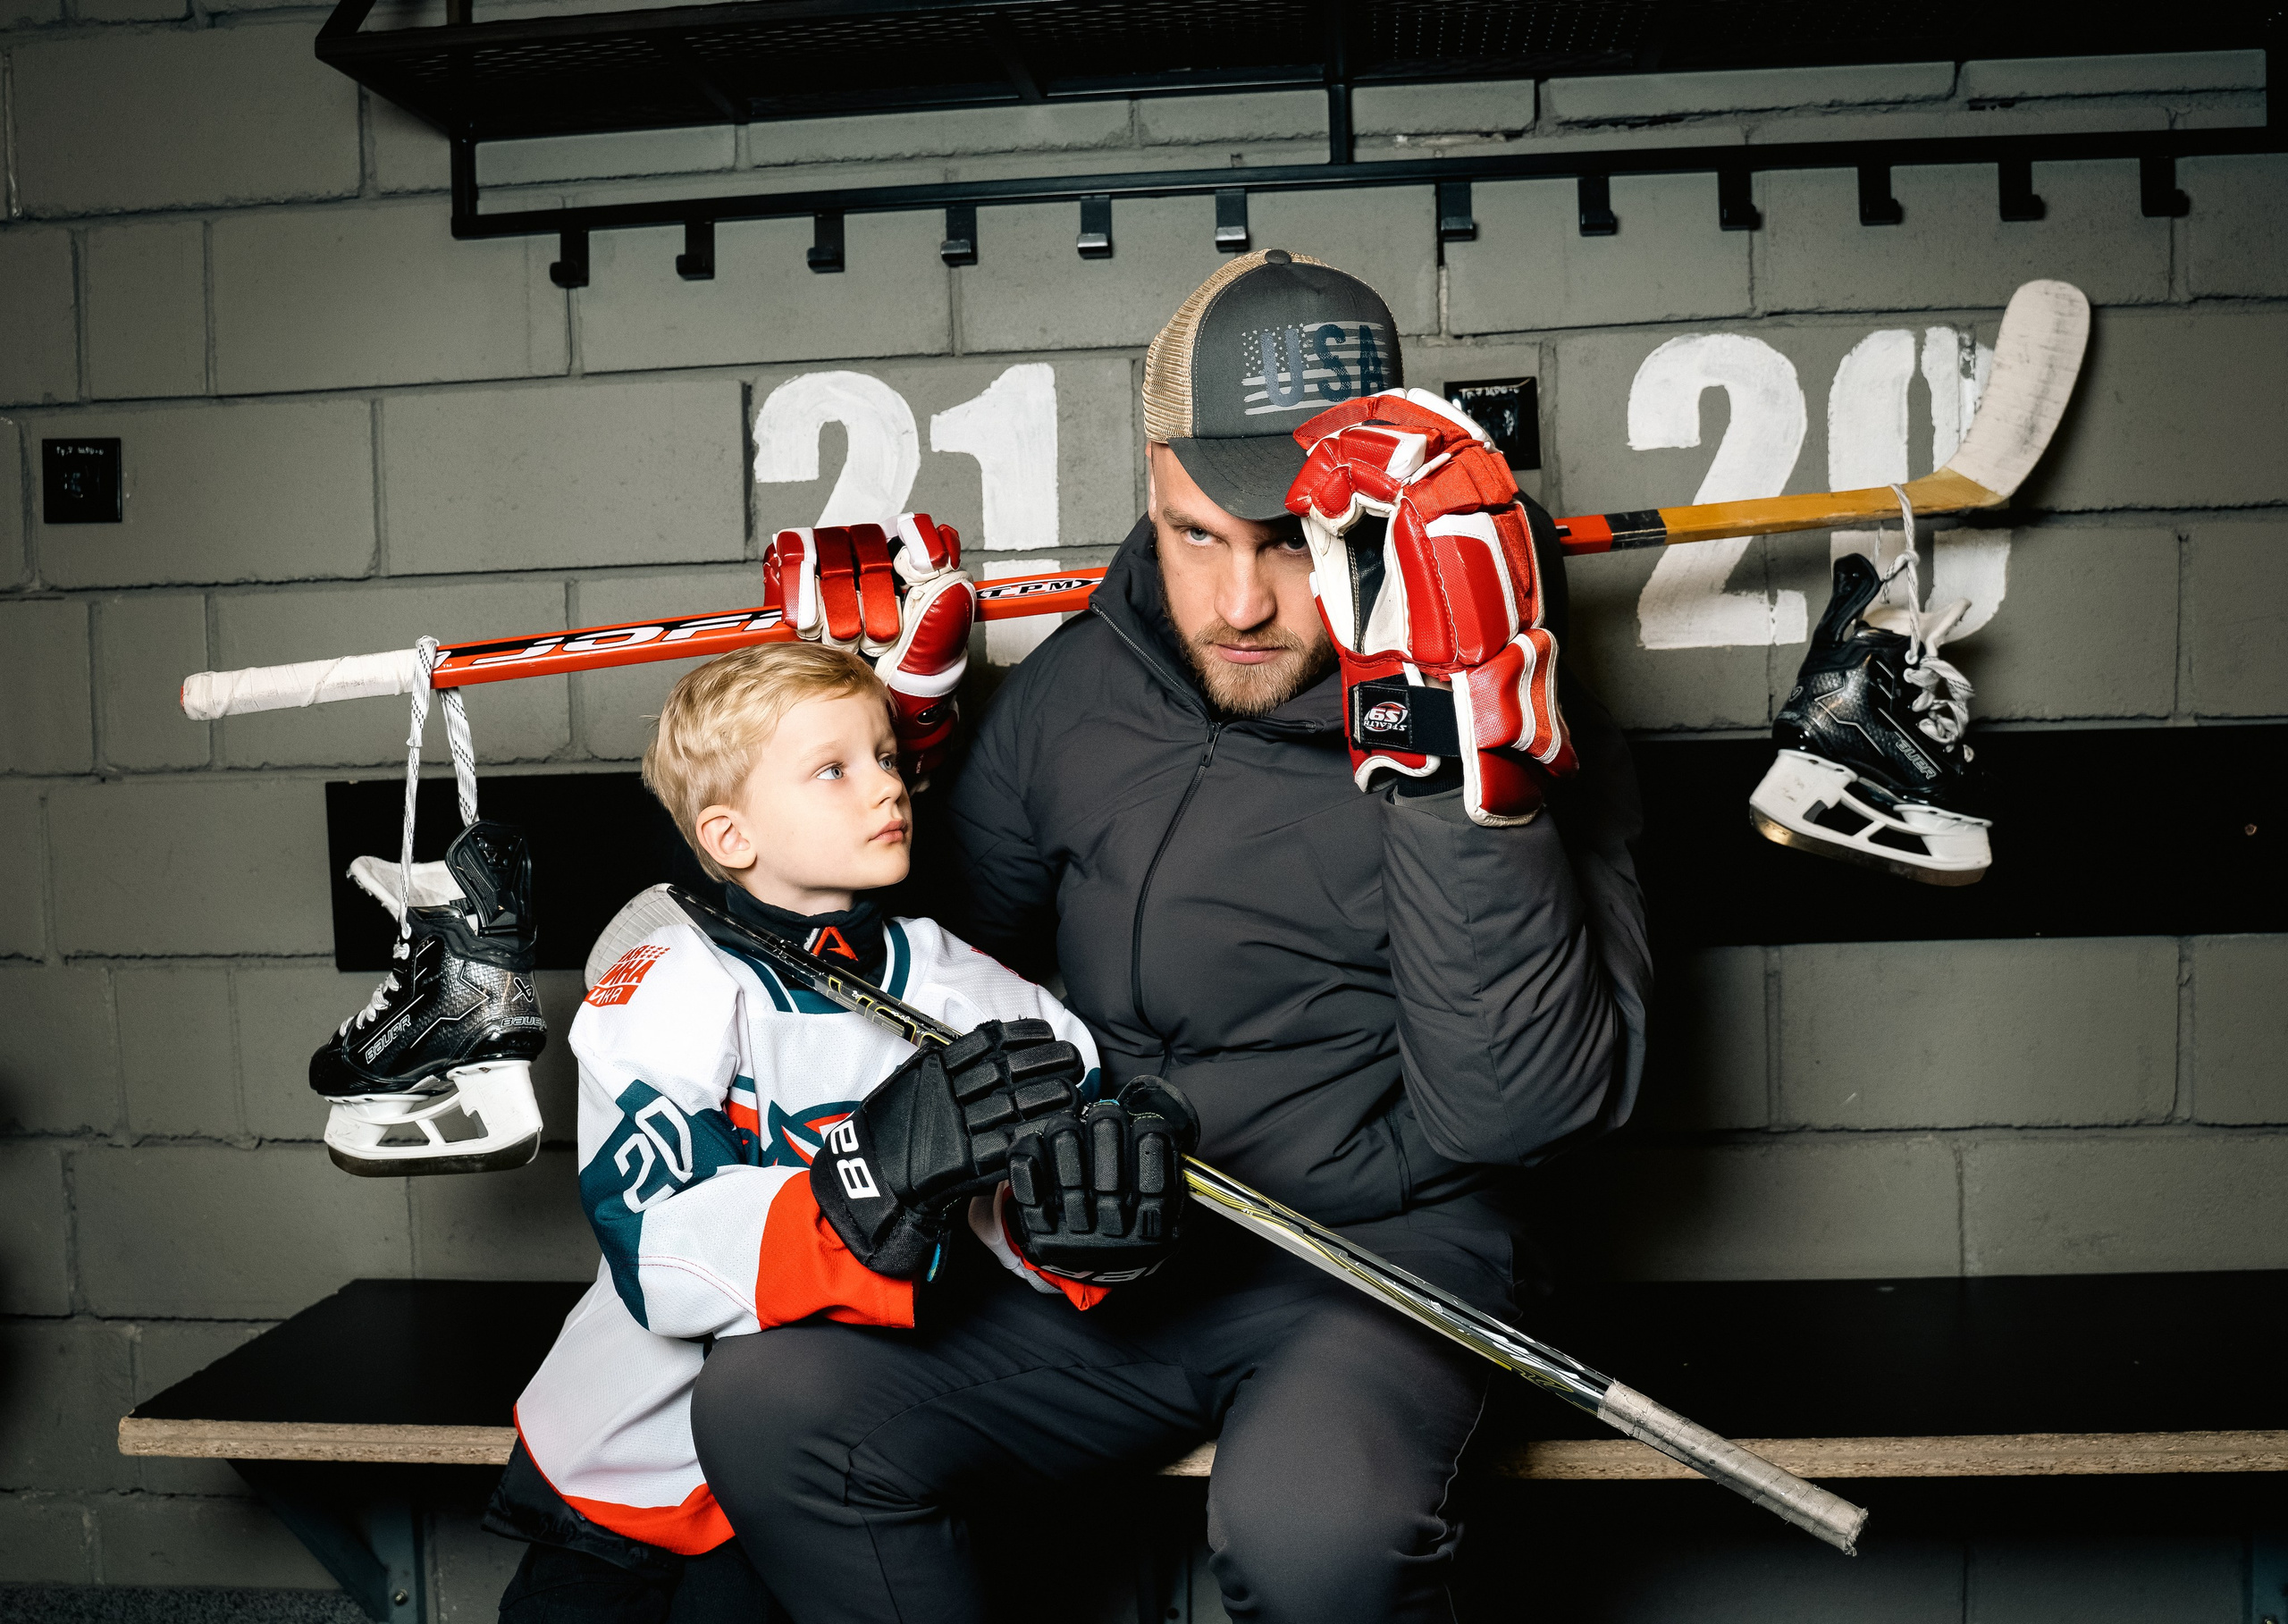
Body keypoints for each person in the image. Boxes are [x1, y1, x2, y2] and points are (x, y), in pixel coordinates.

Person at [690, 250, 1652, 1621]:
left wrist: (1453, 761)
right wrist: (859, 740)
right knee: (776, 1406)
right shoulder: (1089, 680)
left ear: (1374, 517)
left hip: (1371, 1266)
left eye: (1289, 547)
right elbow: (945, 962)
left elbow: (1520, 1114)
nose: (1241, 604)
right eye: (1199, 535)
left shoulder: (1521, 698)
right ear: (1152, 491)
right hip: (1113, 1270)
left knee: (1321, 1536)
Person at [487, 628, 1195, 1620]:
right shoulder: (667, 983)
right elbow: (654, 1248)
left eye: (887, 759)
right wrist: (862, 1178)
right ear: (731, 837)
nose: (887, 787)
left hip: (820, 1454)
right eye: (833, 768)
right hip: (629, 1463)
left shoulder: (977, 990)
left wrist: (1085, 1229)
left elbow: (1032, 1217)